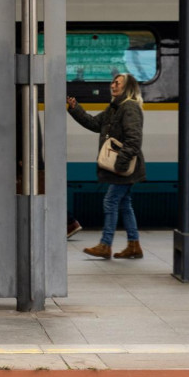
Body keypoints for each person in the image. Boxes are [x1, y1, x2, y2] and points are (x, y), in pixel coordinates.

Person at [67, 73, 146, 259]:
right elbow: (95, 124)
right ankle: (134, 245)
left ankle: (105, 245)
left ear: (127, 88)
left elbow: (134, 140)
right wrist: (76, 108)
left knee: (110, 201)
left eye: (118, 83)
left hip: (125, 167)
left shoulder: (130, 108)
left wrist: (120, 163)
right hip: (122, 166)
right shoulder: (114, 108)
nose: (113, 85)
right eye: (113, 82)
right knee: (125, 204)